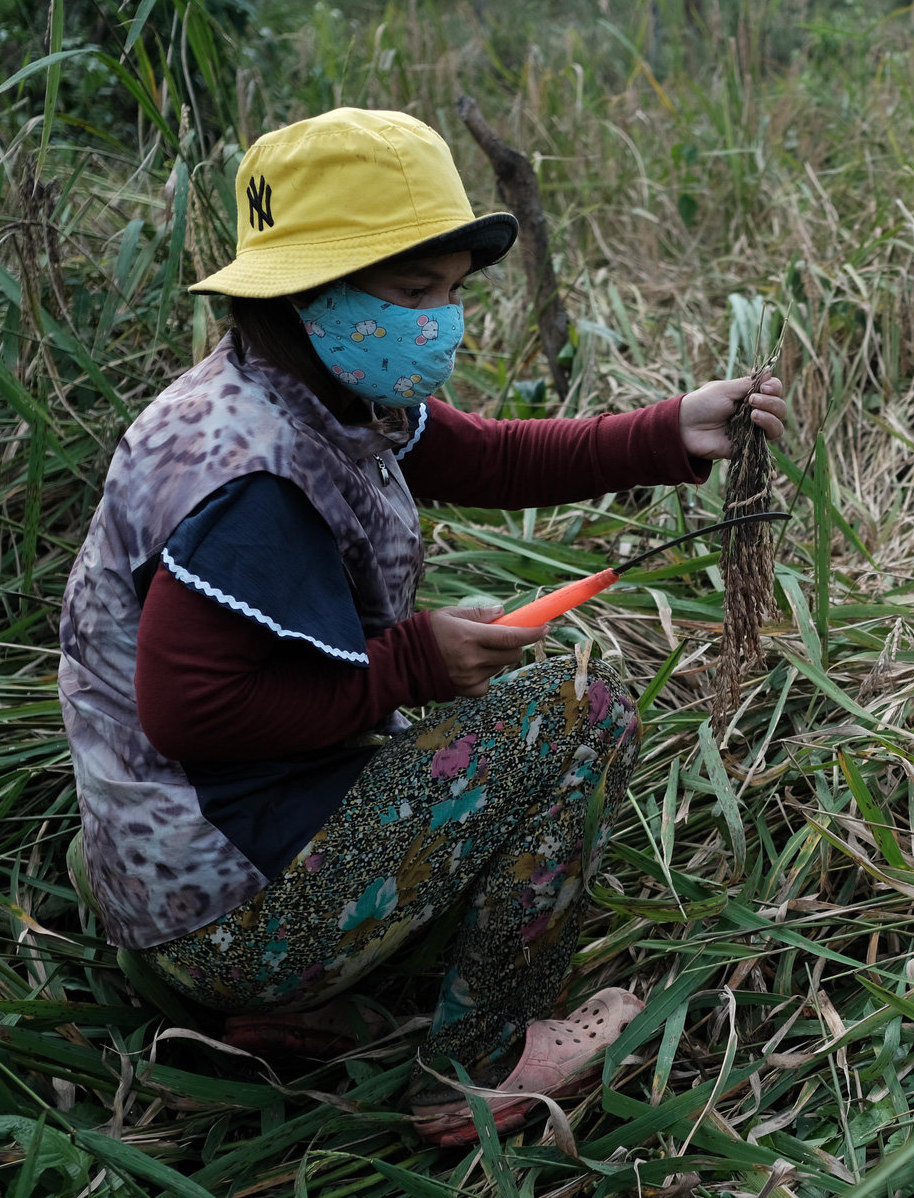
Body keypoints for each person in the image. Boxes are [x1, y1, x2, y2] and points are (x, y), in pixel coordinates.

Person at [57, 107, 788, 1145]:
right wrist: (409, 663)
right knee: (577, 712)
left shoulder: (309, 388)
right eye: (410, 294)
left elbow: (483, 457)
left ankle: (291, 1004)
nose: (440, 321)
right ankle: (480, 1064)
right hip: (217, 903)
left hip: (173, 862)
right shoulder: (251, 481)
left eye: (450, 292)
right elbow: (189, 712)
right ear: (309, 291)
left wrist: (668, 430)